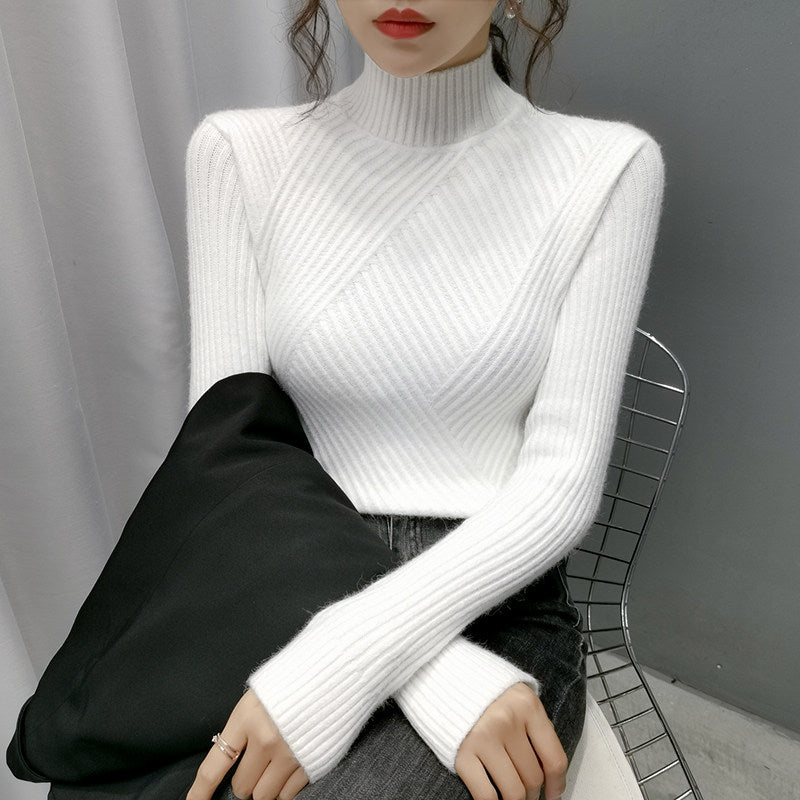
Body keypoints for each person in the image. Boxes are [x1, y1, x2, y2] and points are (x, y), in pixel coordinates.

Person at [183, 1, 665, 799]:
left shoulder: (607, 168)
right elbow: (227, 457)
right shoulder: (238, 155)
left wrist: (353, 654)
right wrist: (427, 676)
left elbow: (559, 486)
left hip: (493, 601)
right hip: (279, 577)